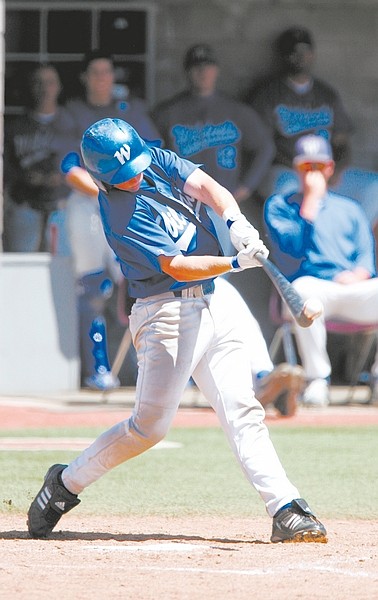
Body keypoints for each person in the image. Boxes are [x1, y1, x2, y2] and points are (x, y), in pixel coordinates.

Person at [27, 117, 327, 544]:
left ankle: (286, 507)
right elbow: (177, 267)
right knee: (148, 429)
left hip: (214, 300)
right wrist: (235, 263)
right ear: (103, 179)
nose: (135, 177)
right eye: (124, 176)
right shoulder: (119, 212)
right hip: (165, 313)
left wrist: (235, 220)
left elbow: (206, 186)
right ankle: (65, 484)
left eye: (135, 168)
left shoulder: (150, 158)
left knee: (242, 408)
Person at [62, 49, 161, 387]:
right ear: (85, 78)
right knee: (94, 288)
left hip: (127, 201)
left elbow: (152, 153)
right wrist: (107, 192)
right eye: (96, 72)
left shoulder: (128, 109)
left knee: (139, 283)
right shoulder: (73, 112)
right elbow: (69, 170)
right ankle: (98, 370)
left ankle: (151, 368)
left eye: (108, 72)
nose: (103, 79)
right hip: (88, 203)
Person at [264, 134, 378, 406]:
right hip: (310, 291)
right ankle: (317, 380)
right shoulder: (280, 206)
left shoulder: (349, 209)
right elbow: (288, 256)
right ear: (295, 168)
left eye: (317, 166)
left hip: (349, 291)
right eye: (305, 167)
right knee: (303, 290)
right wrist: (310, 205)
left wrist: (356, 276)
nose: (311, 174)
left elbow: (366, 261)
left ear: (329, 168)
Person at [151, 43, 275, 255]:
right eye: (196, 67)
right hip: (182, 205)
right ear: (187, 72)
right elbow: (149, 155)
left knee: (220, 267)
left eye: (207, 66)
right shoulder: (168, 113)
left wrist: (246, 187)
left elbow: (265, 147)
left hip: (221, 204)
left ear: (216, 69)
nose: (202, 72)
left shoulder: (235, 110)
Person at [249, 26, 354, 199]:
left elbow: (342, 142)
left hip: (326, 171)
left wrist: (336, 170)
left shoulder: (326, 94)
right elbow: (265, 147)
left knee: (374, 185)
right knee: (287, 190)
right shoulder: (268, 95)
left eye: (304, 50)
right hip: (285, 171)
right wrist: (304, 171)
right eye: (293, 51)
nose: (299, 56)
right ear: (283, 56)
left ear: (312, 53)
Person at [3, 64, 73, 252]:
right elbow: (6, 169)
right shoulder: (14, 128)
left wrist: (63, 177)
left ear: (59, 87)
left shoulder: (72, 125)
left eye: (50, 82)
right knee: (22, 268)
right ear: (30, 87)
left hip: (62, 207)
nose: (44, 88)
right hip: (24, 205)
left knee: (62, 268)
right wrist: (24, 177)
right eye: (38, 83)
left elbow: (86, 167)